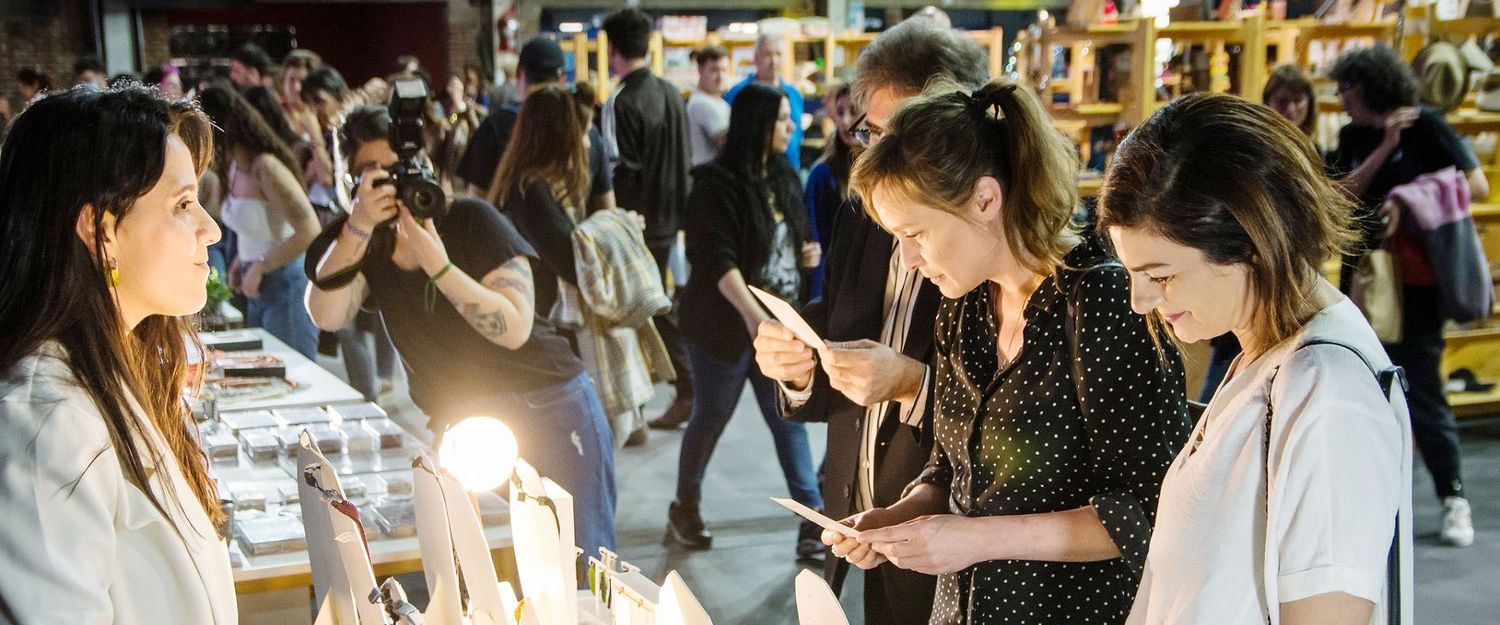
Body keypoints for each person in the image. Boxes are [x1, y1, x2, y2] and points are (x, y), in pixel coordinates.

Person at [827, 78, 1192, 625]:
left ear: (985, 198)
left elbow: (1152, 508)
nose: (908, 259)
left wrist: (976, 538)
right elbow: (951, 467)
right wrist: (901, 517)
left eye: (917, 233)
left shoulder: (1102, 302)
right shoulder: (965, 306)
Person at [1100, 92, 1412, 625]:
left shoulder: (1327, 392)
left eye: (1161, 275)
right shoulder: (1267, 357)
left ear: (1251, 246)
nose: (1140, 301)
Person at [306, 104, 617, 566]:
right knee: (480, 568)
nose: (385, 184)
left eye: (394, 170)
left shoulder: (471, 219)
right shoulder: (365, 243)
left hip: (547, 403)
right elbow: (326, 314)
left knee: (576, 559)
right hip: (461, 419)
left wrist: (438, 264)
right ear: (349, 183)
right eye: (367, 173)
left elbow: (513, 328)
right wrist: (358, 226)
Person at [753, 19, 989, 623]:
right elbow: (836, 323)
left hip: (949, 535)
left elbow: (1017, 414)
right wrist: (799, 366)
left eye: (897, 136)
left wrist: (912, 381)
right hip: (860, 516)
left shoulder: (996, 249)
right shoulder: (860, 216)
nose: (877, 157)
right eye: (869, 133)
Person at [0, 86, 234, 623]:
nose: (211, 228)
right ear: (101, 233)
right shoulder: (46, 423)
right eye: (181, 205)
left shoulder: (114, 371)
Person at [1328, 45, 1484, 547]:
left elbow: (1473, 186)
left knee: (1424, 385)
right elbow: (1339, 197)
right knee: (1365, 384)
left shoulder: (1427, 125)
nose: (1341, 98)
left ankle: (1453, 497)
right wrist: (1383, 148)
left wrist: (1407, 197)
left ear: (1369, 85)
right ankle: (1372, 501)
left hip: (1416, 282)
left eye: (1347, 87)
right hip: (1366, 279)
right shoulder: (1354, 137)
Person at [670, 83, 824, 558]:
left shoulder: (782, 174)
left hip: (779, 322)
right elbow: (716, 260)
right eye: (781, 119)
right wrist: (755, 320)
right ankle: (685, 506)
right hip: (724, 328)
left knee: (788, 419)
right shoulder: (715, 183)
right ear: (758, 125)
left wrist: (805, 254)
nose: (791, 126)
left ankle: (812, 520)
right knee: (711, 416)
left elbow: (789, 232)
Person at [600, 7, 697, 430]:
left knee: (641, 309)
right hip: (671, 218)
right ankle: (664, 398)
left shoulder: (620, 100)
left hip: (633, 223)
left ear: (613, 50)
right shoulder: (672, 94)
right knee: (656, 304)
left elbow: (616, 168)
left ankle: (681, 390)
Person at [198, 84, 322, 358]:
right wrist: (239, 262)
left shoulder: (266, 167)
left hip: (285, 281)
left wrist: (260, 267)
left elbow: (309, 229)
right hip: (256, 280)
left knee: (294, 372)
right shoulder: (233, 168)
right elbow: (254, 228)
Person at [457, 37, 613, 213]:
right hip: (574, 237)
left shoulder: (494, 127)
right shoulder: (585, 130)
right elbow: (606, 206)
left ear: (518, 73)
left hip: (506, 238)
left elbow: (477, 204)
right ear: (561, 79)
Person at [801, 81, 855, 301]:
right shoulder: (823, 174)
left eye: (853, 112)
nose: (845, 121)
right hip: (833, 287)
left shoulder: (884, 172)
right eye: (840, 112)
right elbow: (817, 246)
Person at [725, 33, 805, 170]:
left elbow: (797, 135)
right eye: (767, 54)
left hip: (790, 173)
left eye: (778, 54)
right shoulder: (739, 93)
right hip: (751, 173)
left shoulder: (794, 94)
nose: (774, 61)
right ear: (755, 58)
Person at [686, 45, 732, 167]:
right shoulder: (701, 103)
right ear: (700, 70)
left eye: (724, 70)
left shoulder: (721, 103)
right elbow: (730, 146)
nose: (720, 77)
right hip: (708, 179)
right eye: (714, 70)